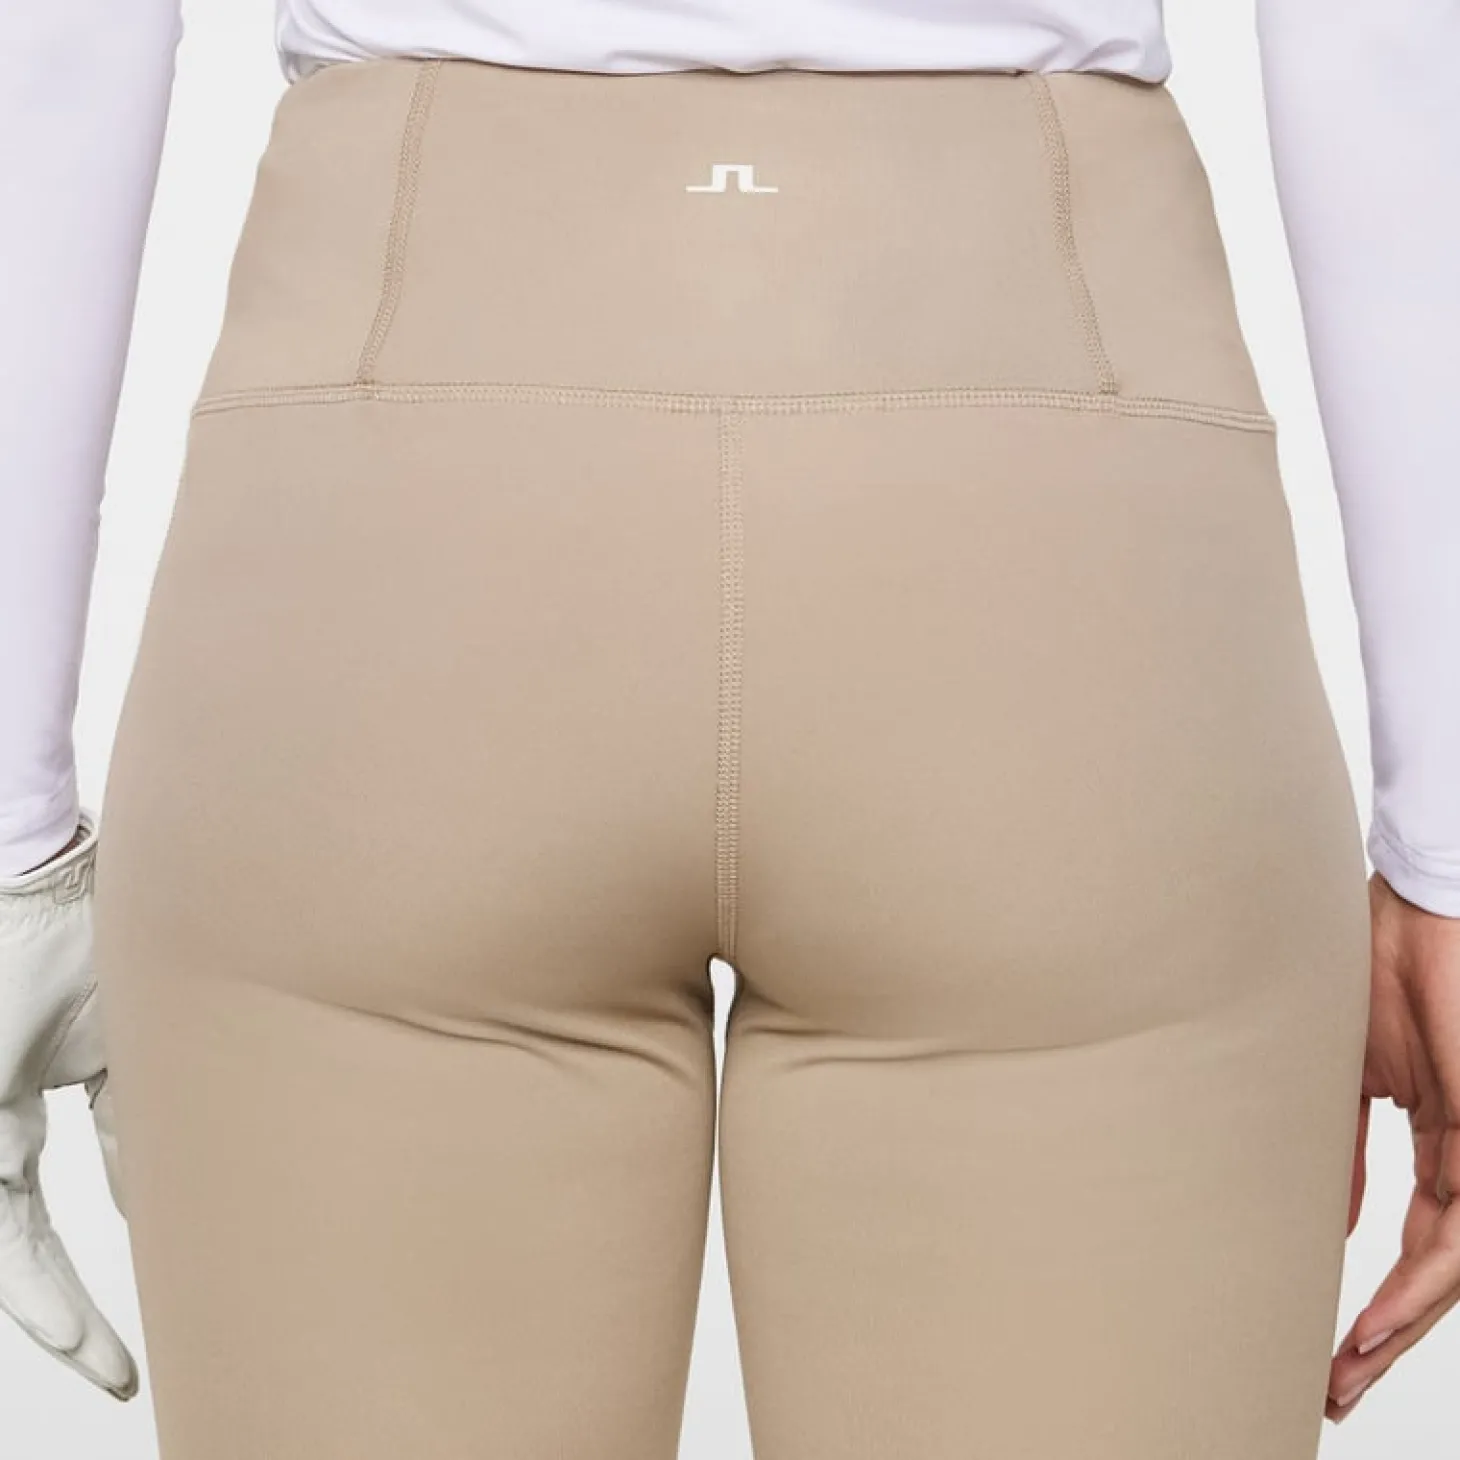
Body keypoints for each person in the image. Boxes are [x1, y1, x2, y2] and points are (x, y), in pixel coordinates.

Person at [0, 1, 1456, 1455]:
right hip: (1064, 525)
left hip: (388, 531)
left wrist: (14, 853)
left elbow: (51, 44)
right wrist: (1448, 856)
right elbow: (1387, 44)